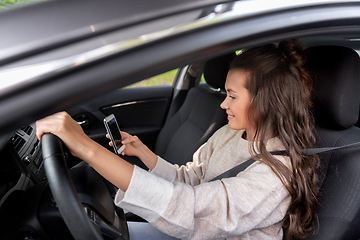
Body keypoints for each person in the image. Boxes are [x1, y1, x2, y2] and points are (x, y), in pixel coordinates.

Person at [36, 39, 320, 240]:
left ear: (267, 102)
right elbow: (191, 178)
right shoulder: (229, 134)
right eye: (225, 94)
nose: (223, 105)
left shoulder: (276, 175)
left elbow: (193, 209)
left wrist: (87, 148)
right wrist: (145, 155)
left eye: (232, 96)